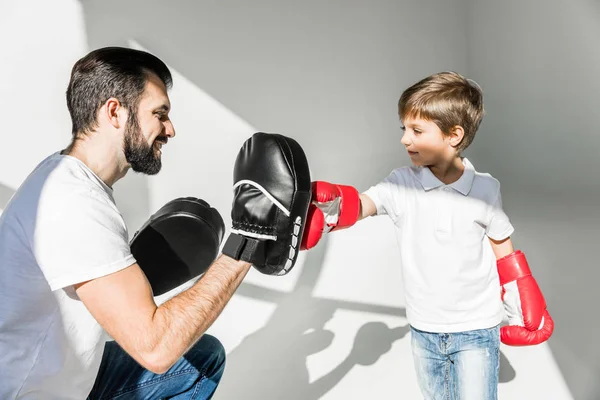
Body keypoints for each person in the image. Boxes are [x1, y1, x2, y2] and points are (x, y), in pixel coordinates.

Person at [0, 46, 311, 400]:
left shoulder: (67, 178)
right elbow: (156, 350)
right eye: (159, 114)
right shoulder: (74, 203)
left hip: (65, 376)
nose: (170, 129)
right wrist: (246, 240)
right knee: (175, 355)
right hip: (27, 393)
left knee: (200, 358)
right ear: (115, 112)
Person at [301, 71, 554, 399]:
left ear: (454, 135)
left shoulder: (486, 188)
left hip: (477, 328)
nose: (405, 139)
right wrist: (329, 205)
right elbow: (364, 204)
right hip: (425, 330)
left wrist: (523, 305)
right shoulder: (401, 184)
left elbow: (502, 249)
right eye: (404, 129)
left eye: (417, 130)